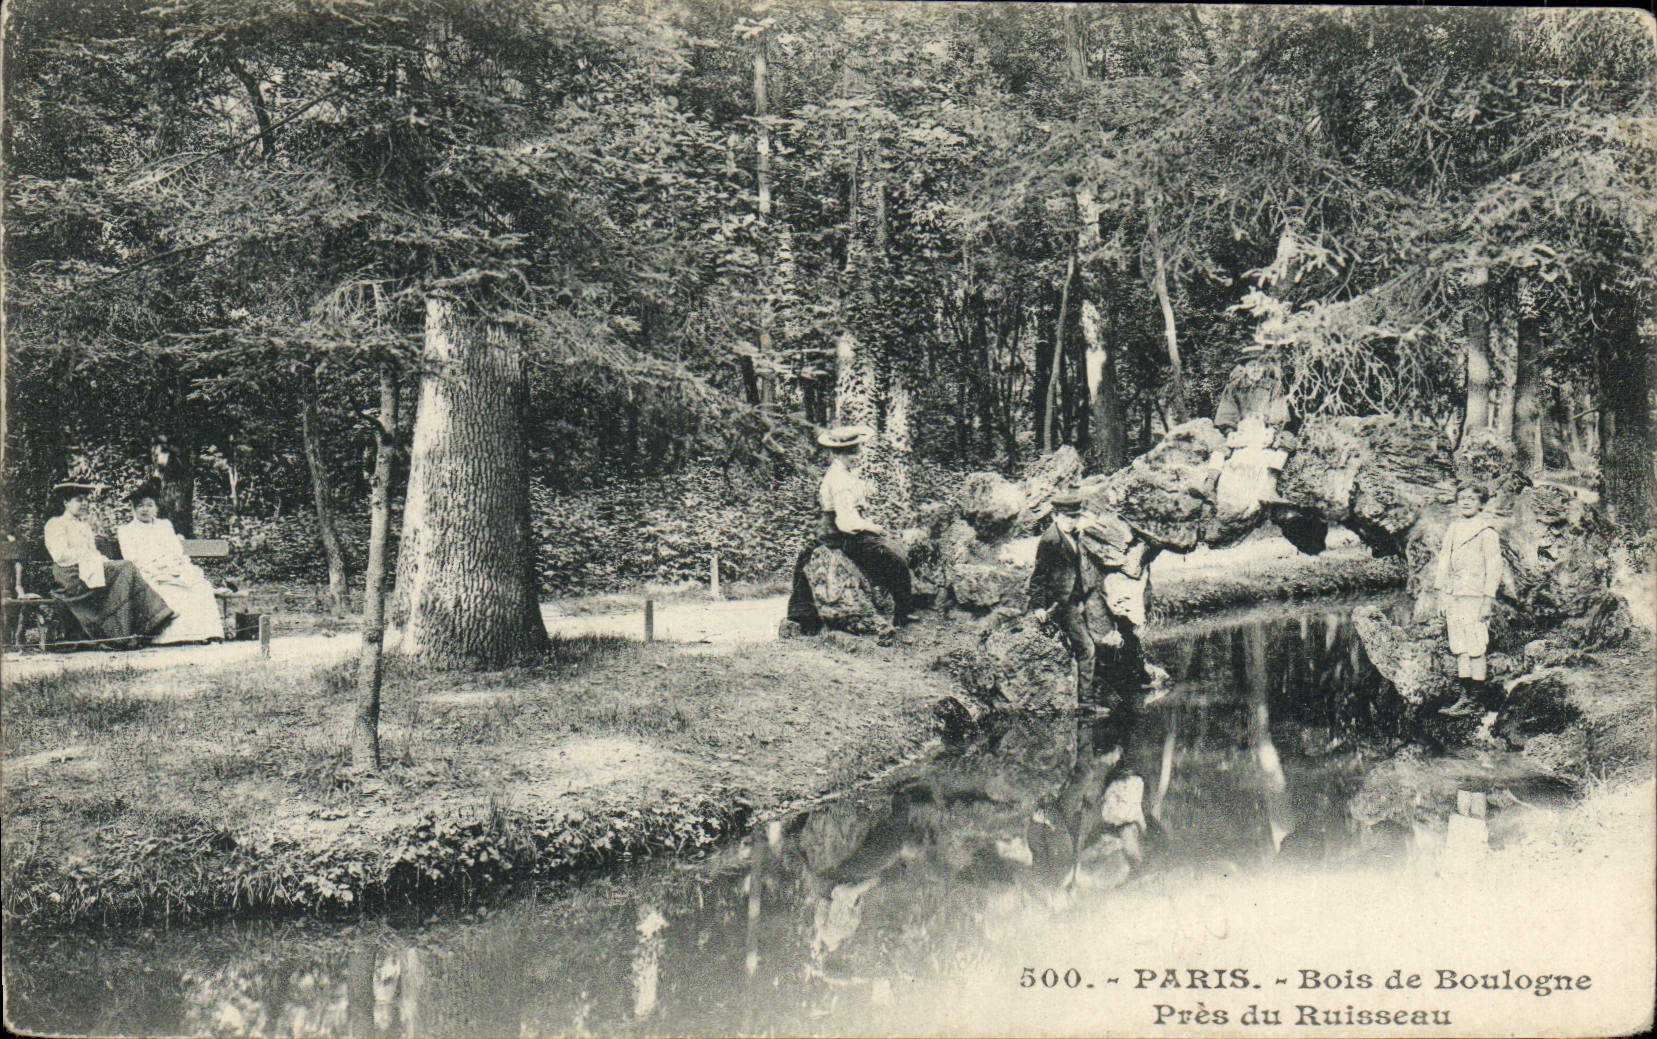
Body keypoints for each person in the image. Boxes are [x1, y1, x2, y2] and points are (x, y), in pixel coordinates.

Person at [1028, 491, 1158, 710]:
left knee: (1106, 637)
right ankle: (1086, 703)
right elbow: (1039, 574)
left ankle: (1119, 684)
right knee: (1087, 648)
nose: (1072, 521)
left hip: (1080, 598)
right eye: (1068, 517)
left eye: (1075, 517)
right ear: (1056, 516)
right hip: (1063, 602)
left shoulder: (1076, 534)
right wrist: (1039, 606)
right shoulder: (1050, 539)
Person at [785, 424, 914, 634]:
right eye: (851, 452)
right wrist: (870, 527)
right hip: (839, 533)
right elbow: (845, 521)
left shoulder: (846, 473)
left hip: (842, 528)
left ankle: (895, 607)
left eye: (857, 450)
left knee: (892, 548)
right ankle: (902, 612)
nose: (857, 455)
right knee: (892, 557)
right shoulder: (839, 478)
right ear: (839, 453)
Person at [42, 481, 174, 649]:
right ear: (66, 503)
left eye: (85, 500)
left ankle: (136, 629)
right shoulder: (56, 524)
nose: (83, 504)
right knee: (126, 568)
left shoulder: (84, 526)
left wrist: (101, 561)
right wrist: (90, 559)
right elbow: (60, 555)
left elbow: (94, 553)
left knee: (124, 571)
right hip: (70, 575)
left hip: (89, 571)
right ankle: (149, 620)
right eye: (78, 500)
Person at [117, 485, 225, 643]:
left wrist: (175, 565)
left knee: (199, 586)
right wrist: (156, 567)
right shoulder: (126, 530)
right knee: (167, 589)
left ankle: (206, 633)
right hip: (147, 571)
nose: (145, 509)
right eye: (140, 505)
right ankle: (171, 638)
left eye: (149, 505)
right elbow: (131, 558)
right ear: (133, 508)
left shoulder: (164, 525)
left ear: (156, 507)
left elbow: (176, 550)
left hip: (172, 567)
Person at [1434, 483, 1504, 716]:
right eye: (1462, 498)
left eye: (1472, 499)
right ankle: (1464, 698)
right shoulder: (1453, 528)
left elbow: (1494, 568)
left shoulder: (1487, 531)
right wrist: (1442, 594)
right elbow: (1444, 561)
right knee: (1459, 646)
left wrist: (1487, 600)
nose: (1466, 502)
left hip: (1475, 595)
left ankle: (1477, 700)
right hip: (1455, 594)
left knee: (1476, 646)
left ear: (1481, 503)